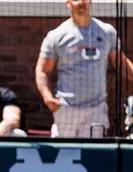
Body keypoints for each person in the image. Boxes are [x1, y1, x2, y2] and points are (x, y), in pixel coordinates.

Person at [35, 0, 133, 138]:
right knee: (66, 154)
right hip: (66, 108)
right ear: (68, 2)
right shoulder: (56, 36)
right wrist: (48, 98)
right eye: (76, 0)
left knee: (92, 155)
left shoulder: (107, 32)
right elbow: (43, 70)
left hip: (96, 109)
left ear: (91, 2)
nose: (81, 3)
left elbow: (121, 64)